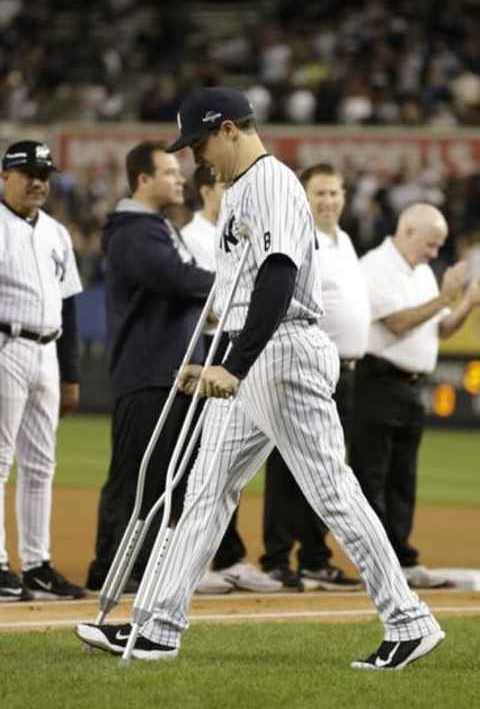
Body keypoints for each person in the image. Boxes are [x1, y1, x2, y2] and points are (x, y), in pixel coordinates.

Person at [77, 87, 445, 670]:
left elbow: (277, 274)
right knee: (203, 490)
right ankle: (156, 627)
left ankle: (408, 619)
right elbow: (242, 289)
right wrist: (216, 355)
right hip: (249, 351)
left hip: (279, 353)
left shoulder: (270, 182)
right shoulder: (242, 188)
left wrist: (235, 362)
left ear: (227, 129)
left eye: (198, 142)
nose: (196, 155)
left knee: (330, 490)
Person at [85, 141, 214, 592]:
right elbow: (173, 277)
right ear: (143, 179)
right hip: (148, 374)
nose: (180, 180)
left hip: (172, 373)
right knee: (136, 477)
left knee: (164, 481)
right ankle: (111, 569)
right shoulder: (133, 230)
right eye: (170, 173)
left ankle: (144, 568)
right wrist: (229, 285)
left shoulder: (156, 227)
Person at [350, 202, 480, 589]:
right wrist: (445, 298)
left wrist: (468, 302)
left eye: (439, 245)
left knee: (402, 478)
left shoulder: (421, 272)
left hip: (410, 387)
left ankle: (401, 559)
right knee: (371, 476)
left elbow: (439, 331)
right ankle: (374, 564)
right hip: (377, 381)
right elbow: (397, 323)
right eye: (431, 244)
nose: (435, 253)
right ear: (407, 232)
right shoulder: (375, 267)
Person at [260, 163, 370, 591]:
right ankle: (275, 557)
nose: (328, 200)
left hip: (345, 371)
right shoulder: (301, 239)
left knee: (326, 468)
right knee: (288, 466)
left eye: (334, 192)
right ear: (304, 198)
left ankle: (314, 556)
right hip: (306, 368)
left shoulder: (343, 242)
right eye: (320, 193)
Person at [182, 165, 281, 594]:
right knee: (200, 462)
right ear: (206, 190)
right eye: (225, 186)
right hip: (209, 351)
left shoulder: (238, 227)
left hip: (238, 350)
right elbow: (205, 300)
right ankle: (192, 561)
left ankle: (227, 557)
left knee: (225, 463)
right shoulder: (193, 237)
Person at [0, 140, 85, 601]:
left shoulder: (57, 232)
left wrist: (71, 374)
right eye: (28, 172)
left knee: (40, 466)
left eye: (44, 174)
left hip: (47, 352)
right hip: (5, 345)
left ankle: (37, 564)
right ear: (4, 176)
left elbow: (69, 307)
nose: (37, 181)